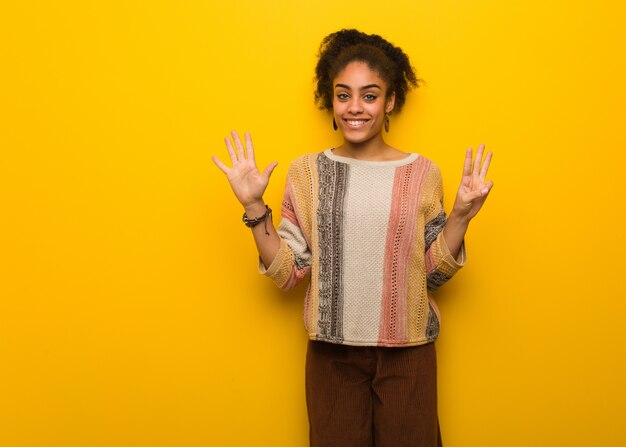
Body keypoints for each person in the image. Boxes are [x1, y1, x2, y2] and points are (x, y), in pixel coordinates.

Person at [213, 28, 493, 447]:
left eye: (369, 95)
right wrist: (255, 207)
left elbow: (431, 274)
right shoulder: (307, 173)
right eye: (343, 95)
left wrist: (462, 216)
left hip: (409, 351)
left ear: (390, 101)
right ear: (331, 101)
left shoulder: (422, 173)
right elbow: (289, 273)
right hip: (332, 355)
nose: (355, 108)